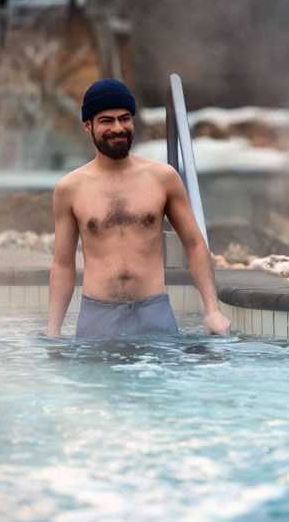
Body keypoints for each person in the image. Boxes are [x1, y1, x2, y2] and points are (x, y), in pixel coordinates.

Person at [47, 78, 231, 339]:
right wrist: (53, 333)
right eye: (106, 120)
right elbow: (63, 264)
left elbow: (194, 244)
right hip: (98, 317)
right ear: (88, 126)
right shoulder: (70, 188)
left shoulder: (162, 177)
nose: (118, 128)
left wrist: (212, 310)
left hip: (154, 312)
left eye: (124, 119)